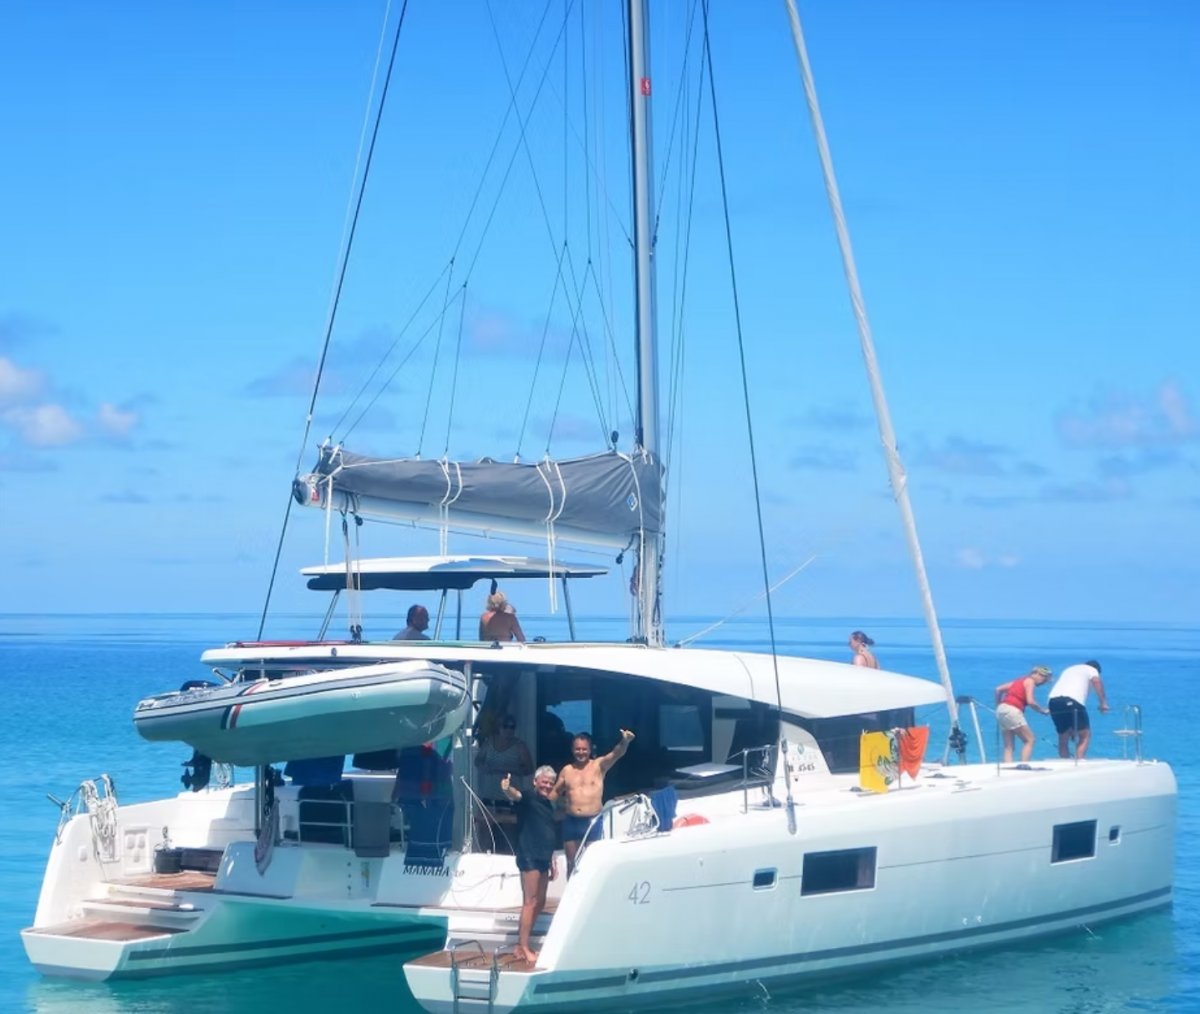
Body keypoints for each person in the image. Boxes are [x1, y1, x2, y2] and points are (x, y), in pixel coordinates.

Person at [554, 729, 634, 876]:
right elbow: (554, 793)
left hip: (592, 821)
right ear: (572, 750)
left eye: (584, 749)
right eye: (577, 749)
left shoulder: (598, 765)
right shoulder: (567, 770)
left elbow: (616, 754)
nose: (581, 752)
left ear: (590, 750)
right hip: (571, 820)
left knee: (590, 862)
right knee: (572, 863)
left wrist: (625, 741)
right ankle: (572, 895)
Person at [500, 766, 558, 963]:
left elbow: (547, 830)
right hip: (530, 856)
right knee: (530, 902)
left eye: (551, 783)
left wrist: (552, 859)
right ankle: (524, 947)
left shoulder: (548, 804)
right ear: (535, 782)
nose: (547, 785)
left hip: (543, 857)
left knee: (540, 902)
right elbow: (515, 795)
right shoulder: (529, 797)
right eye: (544, 781)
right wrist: (507, 788)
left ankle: (521, 944)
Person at [1048, 660, 1109, 760]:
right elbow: (1096, 681)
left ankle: (1065, 760)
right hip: (1073, 700)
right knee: (1085, 734)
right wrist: (1103, 703)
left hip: (1053, 701)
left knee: (1063, 735)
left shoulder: (1069, 669)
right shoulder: (1092, 669)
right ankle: (1080, 760)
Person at [994, 666, 1052, 763]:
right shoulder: (1030, 681)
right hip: (1013, 710)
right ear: (1036, 674)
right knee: (1030, 739)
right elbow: (1031, 701)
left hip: (1002, 709)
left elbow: (998, 689)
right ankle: (1024, 765)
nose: (1043, 682)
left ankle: (1007, 767)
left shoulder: (1019, 681)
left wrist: (998, 704)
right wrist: (1042, 710)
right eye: (1043, 678)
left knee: (1009, 746)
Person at [474, 715, 533, 802]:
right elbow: (477, 761)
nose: (509, 730)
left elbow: (529, 769)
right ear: (499, 727)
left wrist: (512, 771)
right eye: (505, 726)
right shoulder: (489, 742)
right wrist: (485, 768)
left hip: (510, 796)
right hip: (488, 794)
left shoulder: (520, 746)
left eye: (512, 727)